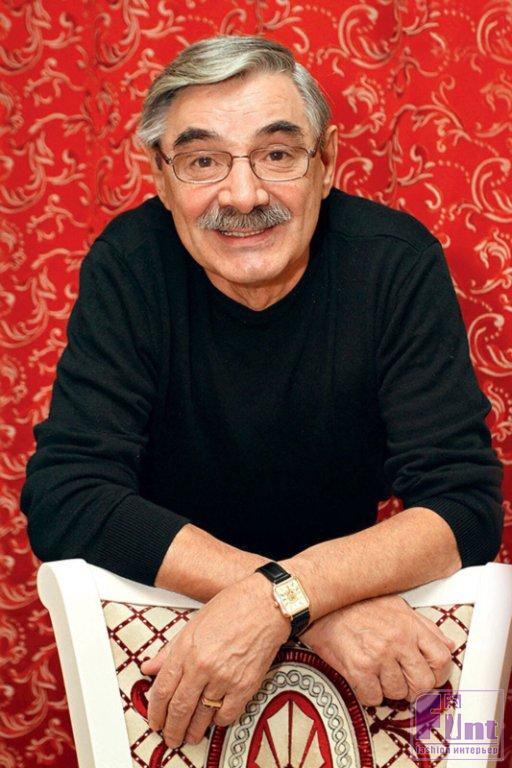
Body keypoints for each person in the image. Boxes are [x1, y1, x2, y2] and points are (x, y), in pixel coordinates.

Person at [21, 35, 503, 750]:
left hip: (361, 652)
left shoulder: (395, 262)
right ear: (161, 178)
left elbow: (462, 508)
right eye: (203, 161)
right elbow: (67, 495)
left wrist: (280, 601)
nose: (243, 196)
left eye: (277, 154)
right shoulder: (130, 262)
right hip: (174, 632)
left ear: (326, 161)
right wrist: (291, 600)